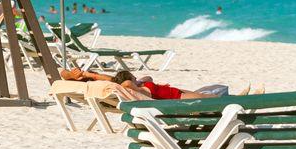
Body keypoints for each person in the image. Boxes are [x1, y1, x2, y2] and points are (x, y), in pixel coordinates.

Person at [58, 68, 263, 100]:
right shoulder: (129, 85)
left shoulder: (136, 83)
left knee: (209, 96)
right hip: (174, 99)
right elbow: (115, 81)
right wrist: (88, 74)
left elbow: (146, 77)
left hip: (172, 91)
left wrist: (84, 75)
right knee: (209, 99)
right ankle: (243, 99)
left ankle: (239, 97)